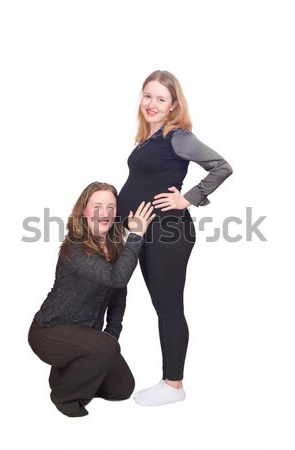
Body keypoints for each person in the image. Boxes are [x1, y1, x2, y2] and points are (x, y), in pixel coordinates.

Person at [117, 70, 233, 406]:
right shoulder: (148, 138)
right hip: (148, 234)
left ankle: (174, 385)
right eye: (147, 95)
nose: (151, 104)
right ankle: (169, 380)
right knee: (162, 308)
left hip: (169, 233)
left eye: (160, 99)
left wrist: (189, 198)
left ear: (173, 106)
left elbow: (221, 166)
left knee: (169, 309)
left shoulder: (178, 137)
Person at [28, 181, 155, 417]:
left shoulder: (116, 247)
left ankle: (68, 371)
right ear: (84, 212)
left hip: (86, 337)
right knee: (105, 348)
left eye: (110, 206)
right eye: (97, 206)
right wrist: (137, 234)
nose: (104, 213)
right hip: (48, 332)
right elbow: (117, 278)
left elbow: (120, 293)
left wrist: (112, 334)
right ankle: (63, 396)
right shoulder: (76, 247)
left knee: (122, 389)